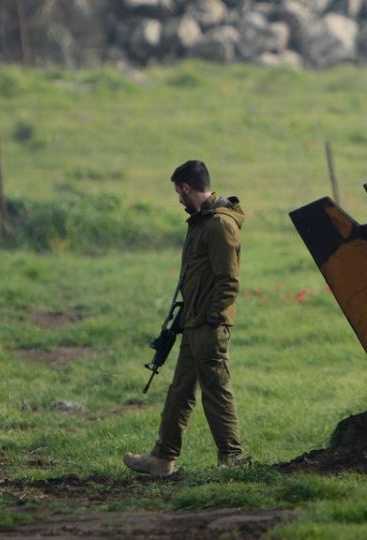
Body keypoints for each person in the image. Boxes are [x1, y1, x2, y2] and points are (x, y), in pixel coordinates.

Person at [124, 160, 246, 477]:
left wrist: (212, 319)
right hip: (193, 324)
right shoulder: (202, 222)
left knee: (216, 391)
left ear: (187, 188)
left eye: (179, 191)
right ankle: (163, 458)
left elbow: (228, 281)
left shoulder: (219, 225)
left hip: (208, 326)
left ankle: (232, 460)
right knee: (180, 391)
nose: (178, 199)